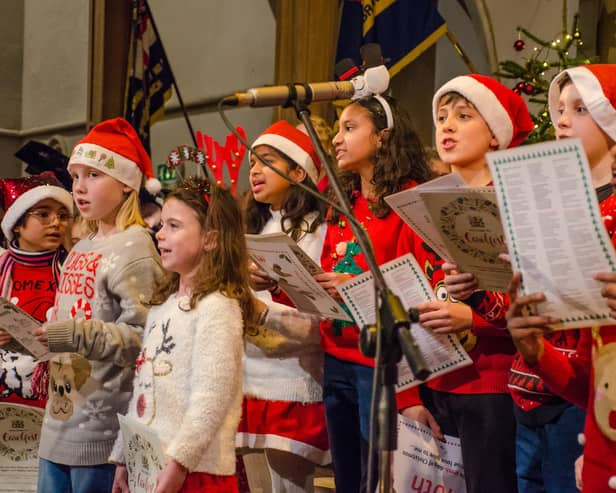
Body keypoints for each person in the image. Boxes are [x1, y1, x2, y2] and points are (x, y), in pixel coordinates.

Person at [410, 74, 534, 493]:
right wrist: (410, 390)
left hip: (490, 384)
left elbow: (533, 297)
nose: (445, 126)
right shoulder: (425, 200)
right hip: (435, 380)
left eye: (463, 116)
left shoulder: (512, 200)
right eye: (441, 117)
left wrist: (472, 317)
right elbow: (410, 284)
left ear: (496, 135)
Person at [33, 117, 164, 493]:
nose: (78, 188)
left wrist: (71, 333)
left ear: (126, 184)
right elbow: (71, 320)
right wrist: (30, 335)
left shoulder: (136, 248)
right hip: (58, 422)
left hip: (101, 435)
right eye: (75, 177)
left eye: (93, 175)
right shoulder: (83, 246)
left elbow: (144, 338)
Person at [314, 94, 434, 493]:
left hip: (380, 364)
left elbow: (415, 292)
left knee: (378, 482)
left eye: (350, 128)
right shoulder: (343, 201)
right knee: (346, 479)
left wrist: (410, 392)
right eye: (336, 130)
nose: (336, 140)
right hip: (337, 357)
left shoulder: (408, 201)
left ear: (382, 137)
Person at [507, 64, 616, 493]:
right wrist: (534, 349)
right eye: (560, 109)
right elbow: (590, 378)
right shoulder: (548, 213)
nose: (562, 120)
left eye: (581, 109)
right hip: (576, 419)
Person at [110, 181, 253, 493]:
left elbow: (210, 399)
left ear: (211, 239)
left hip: (194, 473)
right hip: (150, 467)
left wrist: (179, 464)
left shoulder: (217, 307)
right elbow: (142, 390)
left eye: (173, 226)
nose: (160, 234)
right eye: (161, 225)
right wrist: (124, 459)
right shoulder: (164, 306)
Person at [239, 120, 330, 492]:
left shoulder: (316, 226)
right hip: (251, 374)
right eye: (252, 163)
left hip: (292, 376)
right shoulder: (257, 224)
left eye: (266, 161)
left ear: (298, 170)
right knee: (260, 484)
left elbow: (316, 302)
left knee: (290, 485)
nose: (255, 171)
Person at [0, 172, 73, 409]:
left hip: (55, 397)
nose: (56, 223)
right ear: (17, 224)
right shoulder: (1, 266)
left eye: (63, 215)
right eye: (43, 214)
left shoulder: (74, 267)